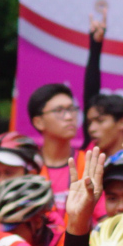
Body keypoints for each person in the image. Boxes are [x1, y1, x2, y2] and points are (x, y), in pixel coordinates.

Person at [26, 81, 85, 209]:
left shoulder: (88, 163)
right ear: (39, 122)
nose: (69, 117)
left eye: (72, 109)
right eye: (59, 111)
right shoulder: (27, 166)